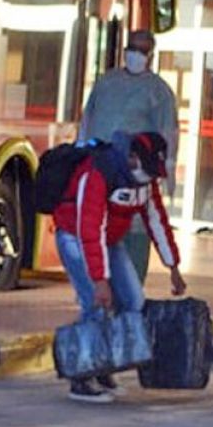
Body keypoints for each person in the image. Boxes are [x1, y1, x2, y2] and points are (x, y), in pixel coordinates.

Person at [52, 131, 186, 403]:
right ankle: (81, 377)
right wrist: (100, 280)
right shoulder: (99, 173)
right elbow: (89, 229)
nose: (150, 178)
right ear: (132, 158)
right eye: (147, 170)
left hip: (109, 240)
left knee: (133, 301)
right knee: (95, 304)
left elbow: (157, 221)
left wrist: (173, 266)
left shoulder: (145, 182)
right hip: (75, 236)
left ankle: (104, 368)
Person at [79, 30, 180, 279]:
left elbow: (168, 134)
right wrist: (80, 153)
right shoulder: (106, 83)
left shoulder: (158, 92)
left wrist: (168, 172)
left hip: (134, 180)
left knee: (133, 242)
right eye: (132, 48)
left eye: (142, 50)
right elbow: (88, 119)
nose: (135, 54)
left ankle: (129, 292)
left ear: (151, 55)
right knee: (99, 233)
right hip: (101, 172)